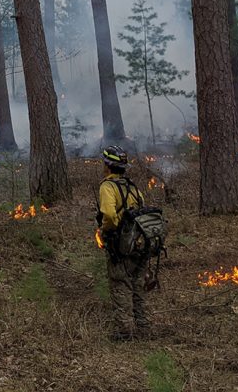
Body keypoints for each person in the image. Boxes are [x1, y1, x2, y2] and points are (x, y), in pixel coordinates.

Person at [96, 144, 149, 340]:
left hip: (121, 245)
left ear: (107, 165)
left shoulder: (107, 187)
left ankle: (125, 331)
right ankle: (143, 326)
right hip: (140, 242)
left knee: (120, 284)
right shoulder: (132, 186)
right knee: (137, 285)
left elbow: (109, 215)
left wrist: (106, 230)